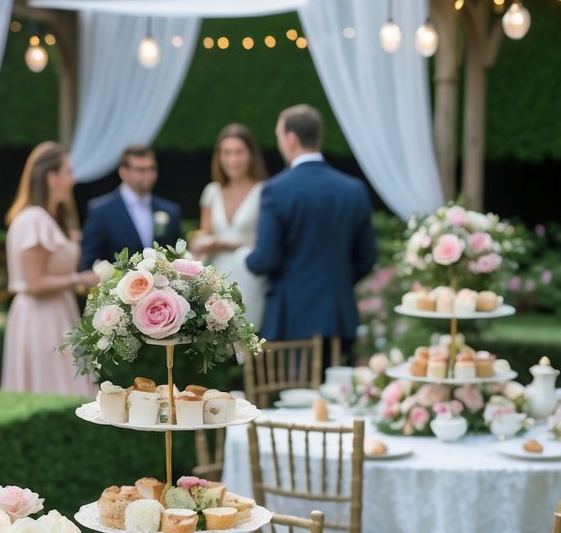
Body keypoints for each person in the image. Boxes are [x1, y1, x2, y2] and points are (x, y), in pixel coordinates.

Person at [246, 104, 376, 364]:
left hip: (291, 318)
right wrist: (337, 281)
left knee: (294, 397)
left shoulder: (276, 190)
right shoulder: (353, 189)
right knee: (338, 398)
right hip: (339, 315)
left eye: (279, 135)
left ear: (291, 138)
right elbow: (367, 257)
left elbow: (266, 259)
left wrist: (244, 258)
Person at [1, 142, 98, 395]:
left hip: (58, 311)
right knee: (51, 387)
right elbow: (34, 284)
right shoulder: (33, 220)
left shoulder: (49, 219)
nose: (73, 179)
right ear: (51, 177)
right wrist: (80, 278)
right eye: (68, 171)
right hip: (40, 319)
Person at [190, 123, 267, 330]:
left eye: (238, 152)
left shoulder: (265, 191)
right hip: (217, 277)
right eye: (227, 153)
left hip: (251, 276)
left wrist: (222, 243)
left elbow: (267, 241)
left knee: (249, 338)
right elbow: (205, 235)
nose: (232, 159)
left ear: (251, 154)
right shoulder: (212, 191)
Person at [80, 144, 182, 269]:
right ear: (123, 172)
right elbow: (89, 262)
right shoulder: (101, 211)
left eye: (152, 169)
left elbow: (178, 258)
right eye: (140, 170)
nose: (148, 175)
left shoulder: (170, 211)